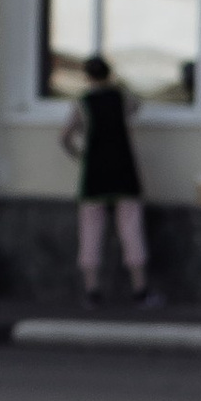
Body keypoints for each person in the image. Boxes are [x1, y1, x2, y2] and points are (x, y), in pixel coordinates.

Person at [67, 53, 156, 306]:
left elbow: (65, 136)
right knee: (131, 228)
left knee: (90, 229)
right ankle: (140, 288)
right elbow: (137, 105)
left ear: (86, 77)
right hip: (123, 170)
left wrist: (79, 155)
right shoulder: (122, 97)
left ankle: (92, 289)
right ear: (109, 74)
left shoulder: (82, 103)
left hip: (94, 173)